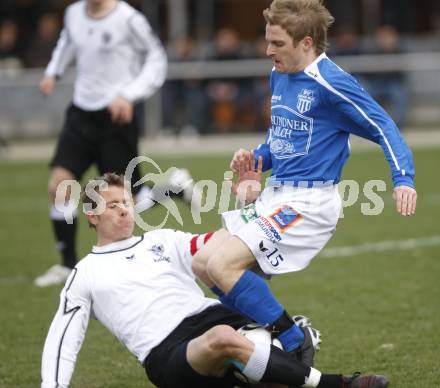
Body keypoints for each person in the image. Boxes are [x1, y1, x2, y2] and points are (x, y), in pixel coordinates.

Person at [192, 0, 417, 360]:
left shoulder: (333, 83)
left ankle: (296, 342)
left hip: (308, 205)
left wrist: (403, 178)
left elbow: (383, 126)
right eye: (268, 42)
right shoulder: (279, 74)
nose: (268, 51)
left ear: (307, 43)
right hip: (275, 195)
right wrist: (256, 161)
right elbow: (279, 140)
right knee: (202, 262)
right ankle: (261, 339)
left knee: (223, 266)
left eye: (278, 44)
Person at [41, 172, 389, 388]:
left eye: (127, 202)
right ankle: (335, 383)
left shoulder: (162, 240)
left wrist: (296, 211)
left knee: (264, 366)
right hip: (168, 352)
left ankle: (278, 351)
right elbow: (63, 337)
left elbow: (222, 245)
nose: (123, 210)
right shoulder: (84, 272)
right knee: (228, 341)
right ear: (91, 214)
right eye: (112, 204)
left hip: (216, 318)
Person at [34, 0, 195, 287]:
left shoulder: (129, 19)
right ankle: (67, 265)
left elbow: (156, 58)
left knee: (132, 201)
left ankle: (175, 186)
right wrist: (52, 71)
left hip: (116, 118)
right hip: (80, 115)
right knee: (59, 185)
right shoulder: (73, 13)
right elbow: (67, 43)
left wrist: (129, 94)